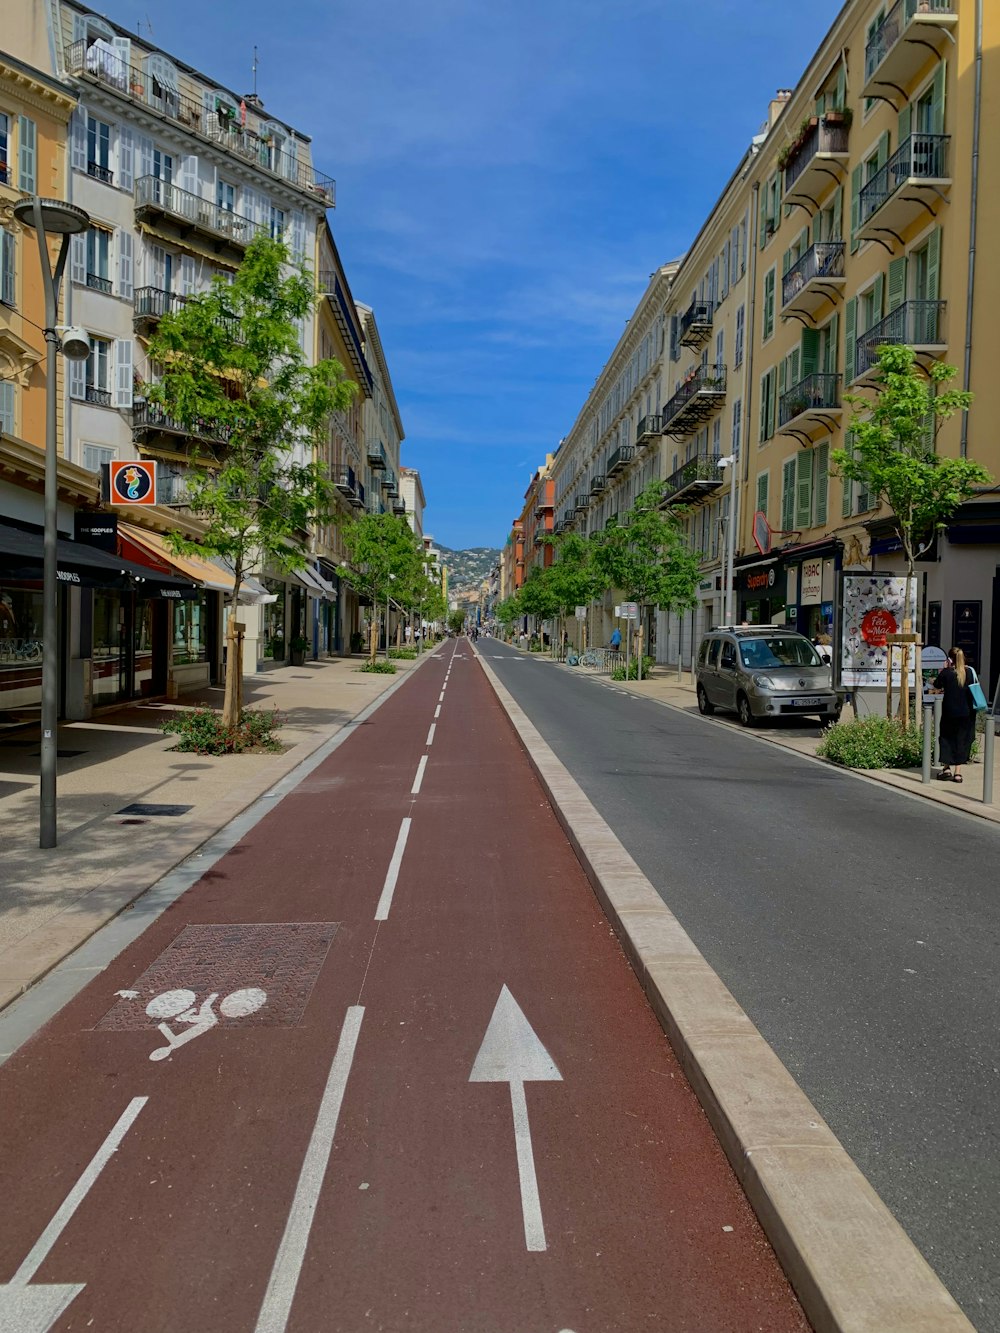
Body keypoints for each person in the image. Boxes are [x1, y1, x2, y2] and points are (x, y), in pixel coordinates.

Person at [932, 646, 976, 783]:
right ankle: (958, 773)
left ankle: (946, 769)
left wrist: (944, 668)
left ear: (950, 659)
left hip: (949, 712)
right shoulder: (969, 672)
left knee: (946, 739)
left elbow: (937, 685)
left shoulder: (947, 672)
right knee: (961, 741)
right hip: (966, 713)